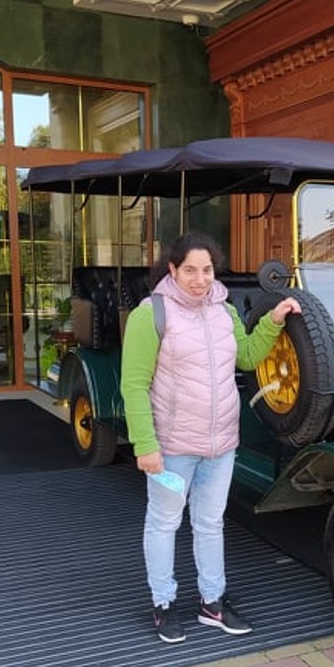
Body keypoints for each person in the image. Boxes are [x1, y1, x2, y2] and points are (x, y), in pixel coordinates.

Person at [121, 232, 301, 644]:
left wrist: (274, 320)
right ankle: (163, 604)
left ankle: (212, 603)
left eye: (207, 270)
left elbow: (247, 356)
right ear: (172, 269)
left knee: (209, 523)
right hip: (172, 447)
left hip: (220, 445)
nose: (200, 279)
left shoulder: (224, 309)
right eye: (190, 270)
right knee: (164, 523)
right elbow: (133, 385)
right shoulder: (151, 314)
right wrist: (145, 445)